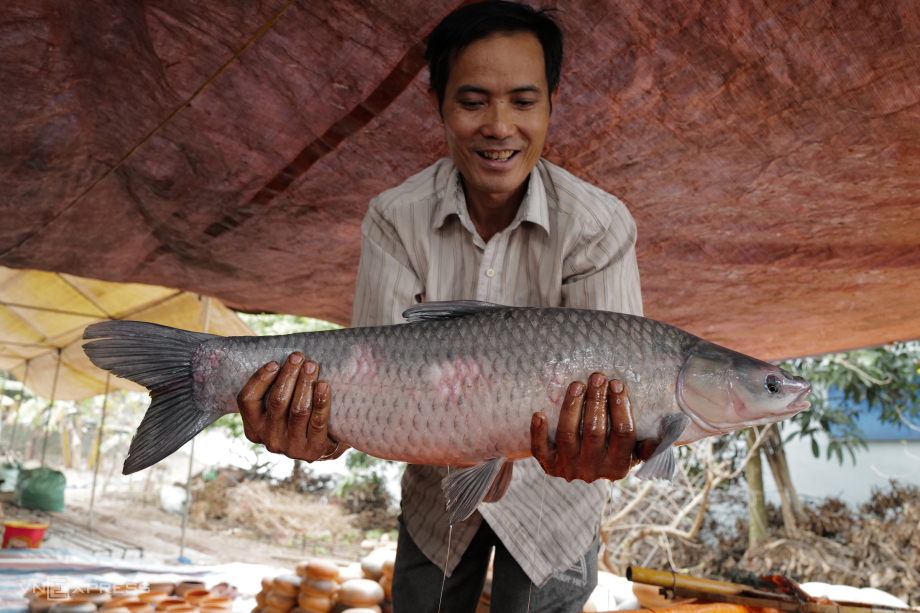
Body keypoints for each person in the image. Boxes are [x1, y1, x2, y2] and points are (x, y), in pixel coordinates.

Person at [236, 3, 655, 611]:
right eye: (473, 101)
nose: (499, 125)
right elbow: (367, 383)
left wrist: (612, 441)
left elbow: (615, 388)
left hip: (556, 513)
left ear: (550, 105)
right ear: (438, 103)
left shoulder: (598, 226)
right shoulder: (395, 217)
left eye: (523, 101)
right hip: (438, 505)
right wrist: (317, 430)